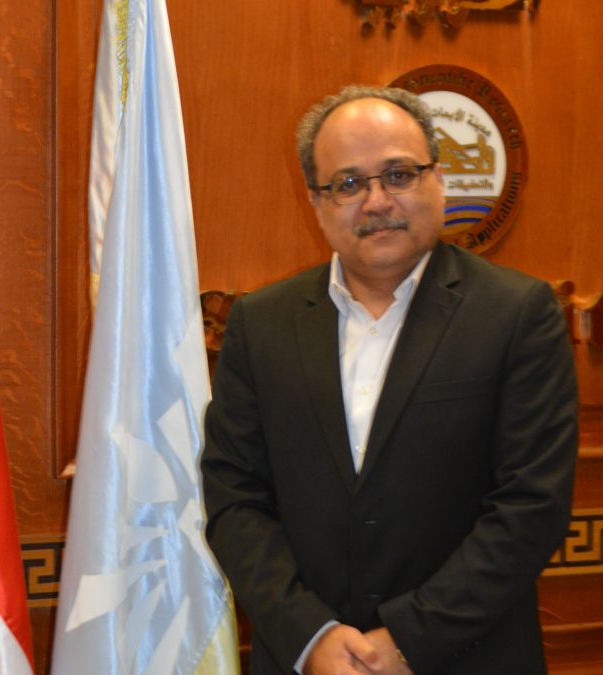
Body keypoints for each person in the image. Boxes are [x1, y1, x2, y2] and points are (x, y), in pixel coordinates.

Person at [201, 85, 577, 675]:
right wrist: (309, 636)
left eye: (399, 175)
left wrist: (407, 640)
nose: (376, 201)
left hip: (469, 658)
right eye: (348, 183)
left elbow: (533, 505)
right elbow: (234, 496)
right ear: (316, 201)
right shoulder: (260, 323)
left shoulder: (517, 314)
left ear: (439, 180)